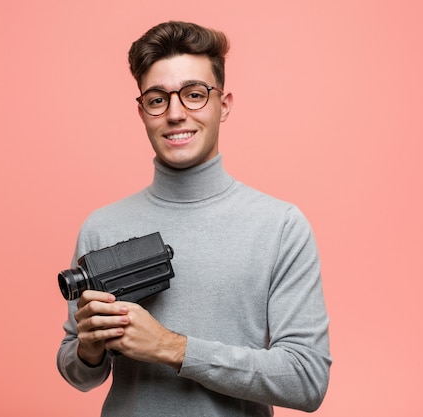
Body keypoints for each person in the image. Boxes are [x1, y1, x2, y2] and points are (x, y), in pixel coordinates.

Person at [57, 21, 331, 417]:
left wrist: (172, 348)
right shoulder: (102, 227)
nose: (175, 113)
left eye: (194, 95)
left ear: (225, 104)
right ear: (142, 111)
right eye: (157, 99)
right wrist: (89, 349)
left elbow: (306, 381)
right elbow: (79, 374)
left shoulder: (281, 226)